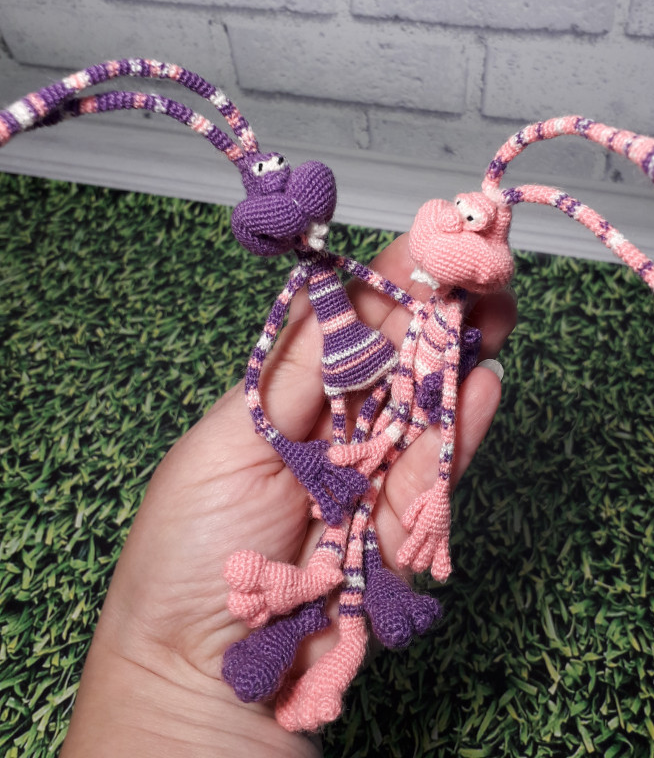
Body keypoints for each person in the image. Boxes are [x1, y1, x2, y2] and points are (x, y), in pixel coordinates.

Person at [60, 233, 517, 757]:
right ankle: (306, 613)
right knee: (343, 583)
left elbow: (428, 411)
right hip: (363, 439)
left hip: (379, 426)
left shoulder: (432, 329)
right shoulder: (395, 339)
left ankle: (312, 616)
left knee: (348, 593)